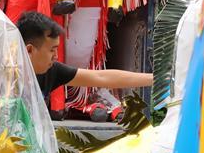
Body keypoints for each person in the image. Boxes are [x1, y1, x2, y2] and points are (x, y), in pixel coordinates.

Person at [16, 11, 152, 104]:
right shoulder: (1, 74)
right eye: (52, 50)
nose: (56, 56)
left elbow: (101, 78)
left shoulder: (52, 71)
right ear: (29, 50)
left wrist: (154, 79)